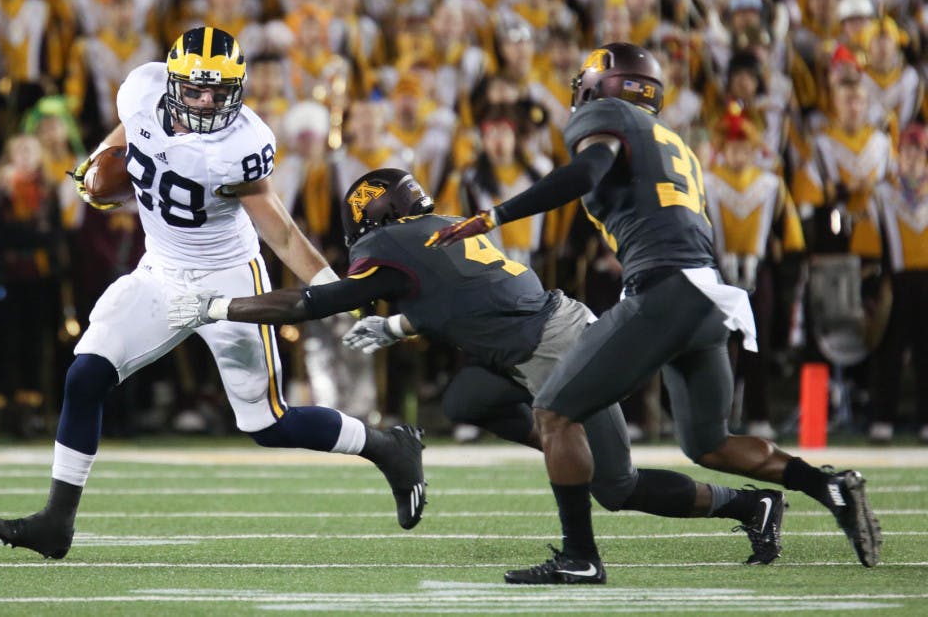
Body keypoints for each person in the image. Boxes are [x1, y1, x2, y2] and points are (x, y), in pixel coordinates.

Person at [170, 167, 788, 571]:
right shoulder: (436, 230)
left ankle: (746, 507)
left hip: (555, 352)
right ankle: (562, 444)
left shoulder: (388, 246)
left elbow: (313, 303)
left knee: (615, 488)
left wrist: (216, 307)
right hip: (541, 339)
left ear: (369, 219)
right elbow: (459, 301)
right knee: (466, 399)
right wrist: (394, 325)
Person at [426, 42, 882, 582]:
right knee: (709, 444)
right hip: (709, 296)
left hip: (664, 294)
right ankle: (825, 485)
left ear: (604, 85)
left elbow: (589, 170)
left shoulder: (604, 117)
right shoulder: (674, 143)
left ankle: (580, 557)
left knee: (552, 412)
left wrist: (497, 214)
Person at [0, 27, 426, 560]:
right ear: (171, 84)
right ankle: (57, 521)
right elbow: (131, 132)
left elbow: (280, 231)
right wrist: (100, 165)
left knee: (268, 424)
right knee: (86, 375)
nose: (207, 102)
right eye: (195, 90)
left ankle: (387, 447)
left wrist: (335, 292)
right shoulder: (142, 89)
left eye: (220, 93)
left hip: (229, 279)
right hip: (161, 272)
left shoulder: (240, 146)